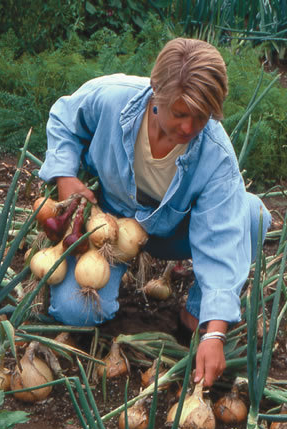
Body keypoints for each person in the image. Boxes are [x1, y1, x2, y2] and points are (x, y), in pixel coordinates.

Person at [38, 37, 271, 388]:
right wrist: (66, 176)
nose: (189, 128)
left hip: (171, 234)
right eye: (179, 114)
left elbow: (222, 239)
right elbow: (64, 119)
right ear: (155, 90)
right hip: (110, 228)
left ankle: (195, 316)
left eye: (201, 117)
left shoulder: (215, 154)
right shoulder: (112, 99)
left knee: (251, 215)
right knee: (77, 313)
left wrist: (215, 334)